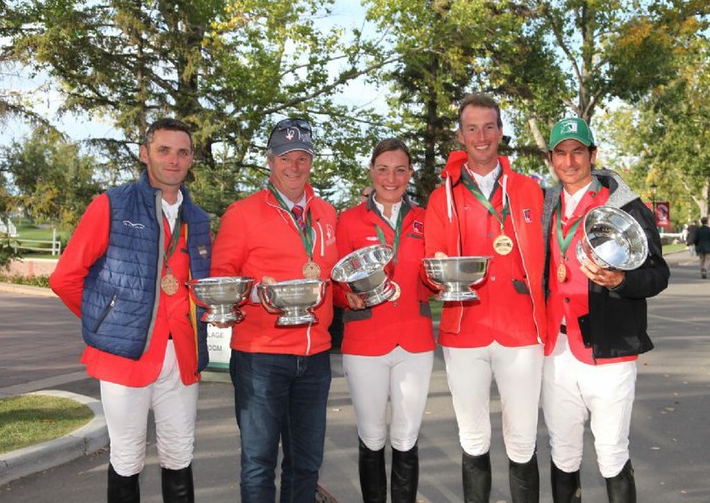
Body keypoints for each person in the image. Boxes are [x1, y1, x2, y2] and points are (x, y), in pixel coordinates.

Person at [49, 118, 212, 503]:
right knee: (127, 455)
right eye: (164, 150)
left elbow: (203, 286)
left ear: (191, 160)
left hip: (183, 354)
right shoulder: (111, 204)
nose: (173, 160)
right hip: (125, 357)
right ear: (145, 154)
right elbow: (66, 277)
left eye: (182, 152)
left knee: (180, 453)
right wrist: (108, 322)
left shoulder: (199, 218)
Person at [423, 93, 546, 503]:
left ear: (501, 133)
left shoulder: (530, 190)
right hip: (465, 331)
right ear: (460, 135)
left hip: (521, 331)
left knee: (522, 440)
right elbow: (432, 262)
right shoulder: (442, 196)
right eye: (472, 128)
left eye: (489, 127)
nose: (481, 136)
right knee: (473, 438)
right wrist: (439, 271)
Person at [541, 117, 670, 503]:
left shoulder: (626, 206)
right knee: (563, 454)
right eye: (561, 153)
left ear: (592, 155)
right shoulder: (545, 204)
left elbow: (658, 275)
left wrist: (620, 282)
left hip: (609, 350)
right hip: (556, 351)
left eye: (577, 152)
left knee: (612, 455)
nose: (569, 161)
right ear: (551, 159)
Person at [210, 118, 338, 503]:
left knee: (306, 464)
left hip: (315, 356)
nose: (294, 166)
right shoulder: (243, 213)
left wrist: (357, 294)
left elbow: (335, 279)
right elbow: (220, 279)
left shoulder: (328, 214)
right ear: (269, 161)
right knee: (258, 462)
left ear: (312, 162)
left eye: (302, 158)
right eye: (285, 157)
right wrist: (255, 297)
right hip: (260, 355)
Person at [334, 138, 435, 503]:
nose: (391, 178)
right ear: (371, 172)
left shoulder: (427, 218)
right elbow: (334, 282)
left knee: (407, 436)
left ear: (409, 174)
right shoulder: (347, 220)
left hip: (415, 343)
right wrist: (348, 296)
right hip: (365, 341)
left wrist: (439, 282)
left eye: (399, 169)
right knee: (372, 435)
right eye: (382, 169)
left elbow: (433, 278)